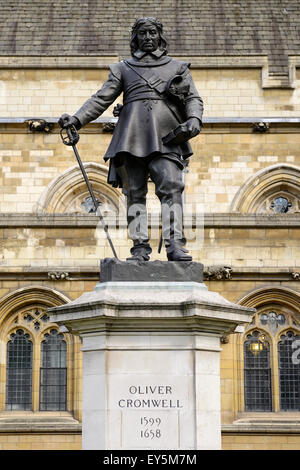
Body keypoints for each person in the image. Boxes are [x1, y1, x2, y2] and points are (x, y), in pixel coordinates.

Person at [59, 17, 203, 262]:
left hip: (166, 136)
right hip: (132, 135)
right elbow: (101, 98)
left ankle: (175, 244)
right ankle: (139, 247)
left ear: (160, 36)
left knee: (172, 187)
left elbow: (192, 99)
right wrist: (77, 119)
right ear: (136, 38)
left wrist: (194, 119)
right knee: (134, 192)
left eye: (152, 33)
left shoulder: (177, 67)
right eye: (143, 34)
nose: (148, 38)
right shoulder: (123, 68)